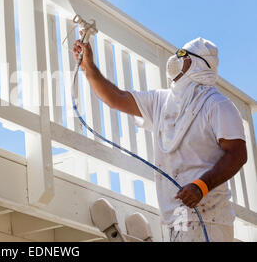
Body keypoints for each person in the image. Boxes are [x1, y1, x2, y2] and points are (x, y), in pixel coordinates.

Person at [73, 37, 248, 242]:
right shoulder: (160, 100)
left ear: (197, 63)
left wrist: (202, 186)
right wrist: (88, 67)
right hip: (175, 219)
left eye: (183, 55)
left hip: (210, 219)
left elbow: (237, 154)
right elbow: (116, 98)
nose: (176, 58)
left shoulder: (217, 105)